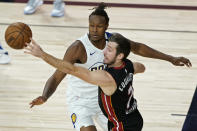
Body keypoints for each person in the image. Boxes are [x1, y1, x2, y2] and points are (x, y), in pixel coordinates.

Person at [26, 2, 192, 131]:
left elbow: (138, 47)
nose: (95, 30)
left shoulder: (113, 41)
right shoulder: (78, 48)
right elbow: (58, 75)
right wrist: (45, 96)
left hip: (106, 102)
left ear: (106, 26)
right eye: (92, 26)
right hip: (80, 102)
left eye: (99, 26)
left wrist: (170, 58)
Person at [25, 33, 145, 131]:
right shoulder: (129, 65)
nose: (103, 52)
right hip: (135, 119)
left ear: (119, 56)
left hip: (121, 126)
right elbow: (141, 67)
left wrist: (42, 54)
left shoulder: (107, 78)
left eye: (109, 50)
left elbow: (71, 69)